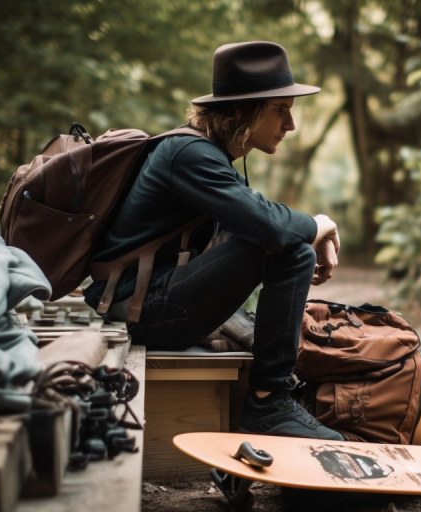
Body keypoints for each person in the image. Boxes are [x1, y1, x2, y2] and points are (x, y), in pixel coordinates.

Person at [83, 41, 343, 441]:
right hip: (142, 310)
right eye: (280, 110)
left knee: (287, 245)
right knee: (290, 250)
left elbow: (259, 220)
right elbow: (272, 229)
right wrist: (321, 224)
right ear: (240, 110)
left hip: (149, 302)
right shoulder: (188, 154)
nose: (290, 125)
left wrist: (311, 233)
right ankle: (269, 402)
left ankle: (275, 396)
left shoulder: (208, 156)